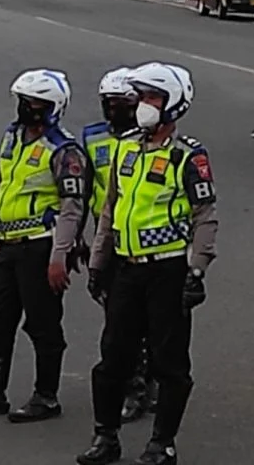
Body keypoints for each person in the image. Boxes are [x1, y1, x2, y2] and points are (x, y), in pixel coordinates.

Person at [77, 63, 218, 465]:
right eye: (140, 98)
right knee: (112, 358)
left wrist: (197, 269)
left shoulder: (187, 156)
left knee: (169, 363)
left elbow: (204, 215)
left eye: (152, 98)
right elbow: (110, 210)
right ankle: (106, 438)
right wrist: (99, 263)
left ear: (173, 104)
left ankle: (162, 444)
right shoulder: (124, 148)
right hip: (126, 269)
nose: (142, 106)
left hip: (169, 271)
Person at [0, 69, 91, 423]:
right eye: (24, 102)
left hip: (40, 246)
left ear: (54, 107)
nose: (27, 109)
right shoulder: (12, 138)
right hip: (7, 245)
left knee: (43, 324)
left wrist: (60, 255)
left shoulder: (64, 150)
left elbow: (73, 206)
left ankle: (46, 396)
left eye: (36, 103)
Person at [82, 67, 158, 424]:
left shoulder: (151, 138)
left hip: (147, 242)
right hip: (107, 239)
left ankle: (148, 383)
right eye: (109, 104)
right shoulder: (93, 138)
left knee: (153, 321)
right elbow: (84, 192)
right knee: (118, 323)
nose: (114, 111)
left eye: (122, 104)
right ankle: (132, 386)